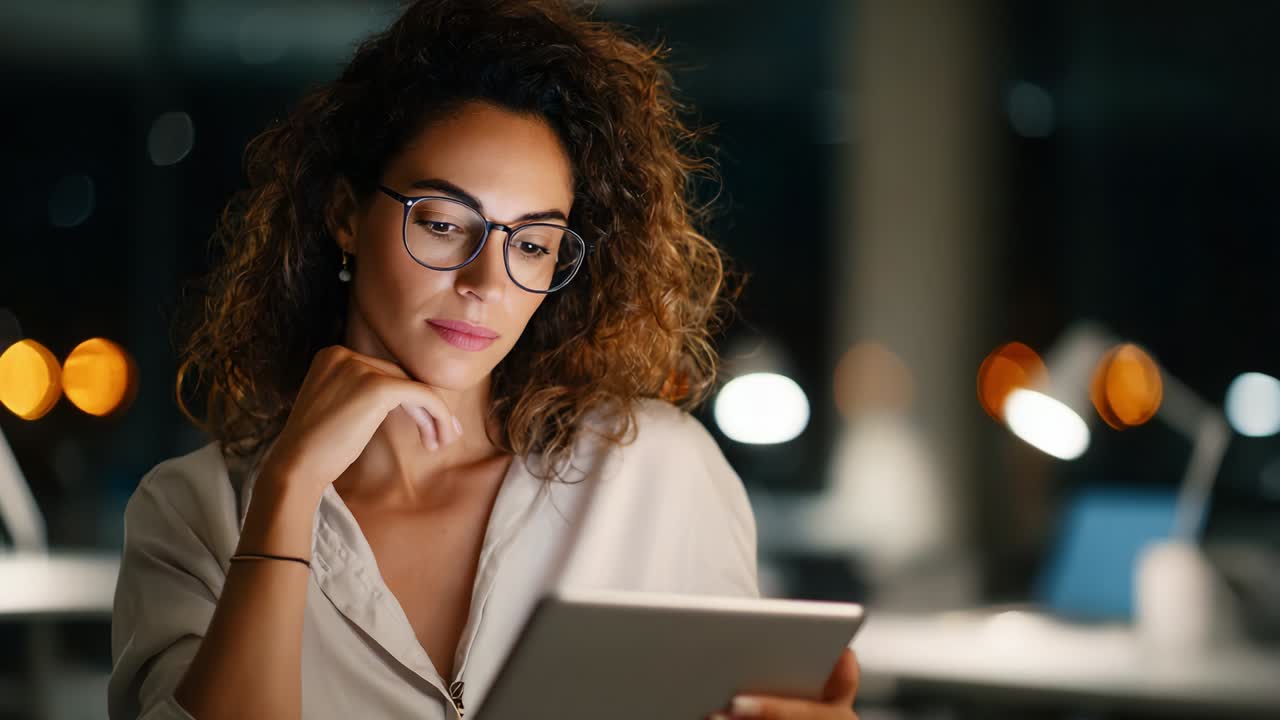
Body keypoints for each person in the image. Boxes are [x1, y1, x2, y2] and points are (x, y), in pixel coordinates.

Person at [107, 1, 860, 718]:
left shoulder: (655, 474)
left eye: (532, 244)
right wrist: (290, 489)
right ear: (343, 216)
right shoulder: (194, 515)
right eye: (441, 223)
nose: (485, 283)